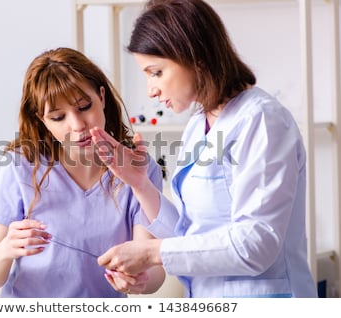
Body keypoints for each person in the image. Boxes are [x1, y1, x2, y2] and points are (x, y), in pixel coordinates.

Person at [90, 0, 318, 298]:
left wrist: (152, 252)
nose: (151, 90)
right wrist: (140, 184)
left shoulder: (261, 120)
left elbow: (256, 244)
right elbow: (189, 235)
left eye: (156, 72)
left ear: (193, 56)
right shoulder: (199, 125)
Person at [0, 47, 165, 297]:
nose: (77, 126)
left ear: (102, 97)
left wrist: (140, 279)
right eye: (57, 117)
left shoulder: (138, 168)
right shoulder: (20, 165)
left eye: (84, 107)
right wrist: (6, 249)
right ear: (41, 120)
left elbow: (152, 269)